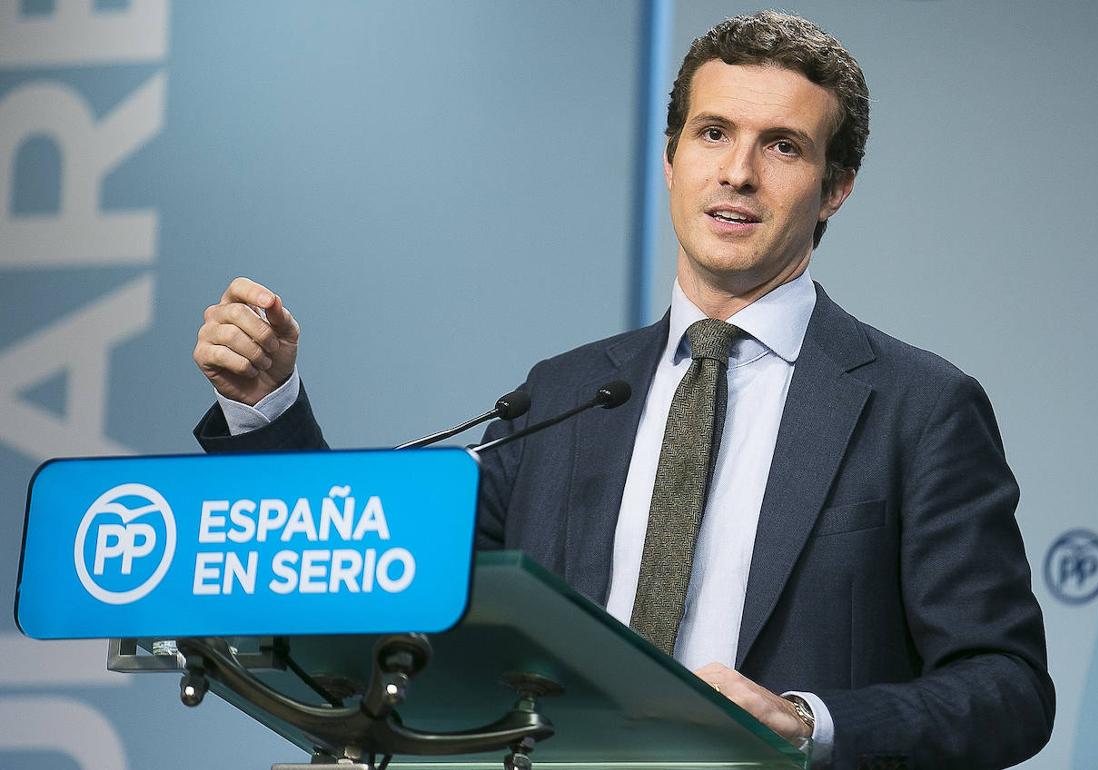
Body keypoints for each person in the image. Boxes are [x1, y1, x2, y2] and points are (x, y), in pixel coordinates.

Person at [191, 11, 1054, 769]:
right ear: (672, 156)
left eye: (782, 146)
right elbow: (375, 583)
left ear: (836, 188)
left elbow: (1008, 686)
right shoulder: (568, 395)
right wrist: (264, 406)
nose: (739, 173)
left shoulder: (917, 408)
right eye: (713, 133)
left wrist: (808, 725)